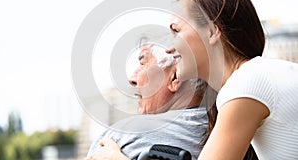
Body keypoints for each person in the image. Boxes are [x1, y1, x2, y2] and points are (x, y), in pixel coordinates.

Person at [166, 0, 298, 159]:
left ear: (212, 32)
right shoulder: (262, 74)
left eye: (176, 31)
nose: (169, 47)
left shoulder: (248, 81)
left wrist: (114, 155)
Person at [85, 43, 216, 160]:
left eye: (143, 64)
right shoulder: (222, 128)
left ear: (174, 77)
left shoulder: (125, 135)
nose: (132, 78)